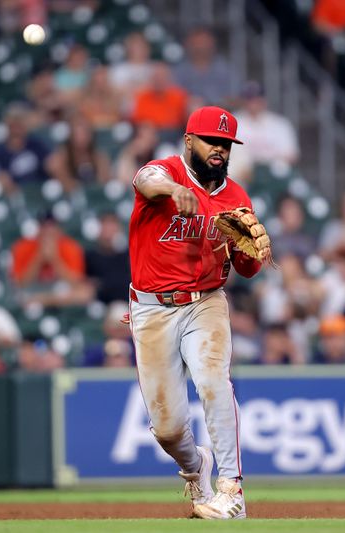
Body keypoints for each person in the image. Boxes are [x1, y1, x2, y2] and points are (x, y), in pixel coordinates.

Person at [127, 106, 271, 519]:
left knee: (213, 381)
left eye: (226, 144)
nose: (219, 151)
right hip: (153, 309)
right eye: (212, 141)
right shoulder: (165, 171)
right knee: (168, 428)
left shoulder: (236, 197)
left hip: (206, 301)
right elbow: (145, 180)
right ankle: (195, 467)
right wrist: (173, 190)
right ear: (189, 140)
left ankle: (232, 491)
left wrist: (247, 253)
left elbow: (247, 267)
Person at [0, 103, 52, 195]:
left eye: (19, 123)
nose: (16, 128)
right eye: (13, 124)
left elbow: (49, 165)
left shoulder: (37, 145)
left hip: (41, 191)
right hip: (16, 196)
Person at [11, 211, 86, 286]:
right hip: (33, 293)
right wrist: (39, 257)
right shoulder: (23, 247)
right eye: (44, 226)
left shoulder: (71, 247)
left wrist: (54, 259)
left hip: (62, 294)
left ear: (59, 230)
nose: (48, 231)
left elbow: (76, 283)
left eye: (51, 226)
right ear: (38, 229)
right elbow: (20, 284)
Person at [233, 81, 299, 166]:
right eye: (250, 99)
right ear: (243, 101)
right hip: (242, 172)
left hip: (274, 172)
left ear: (264, 100)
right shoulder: (232, 122)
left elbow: (292, 155)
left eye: (257, 99)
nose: (253, 104)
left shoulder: (280, 123)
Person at [173, 28, 242, 107]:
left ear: (213, 45)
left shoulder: (226, 70)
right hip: (188, 116)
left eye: (204, 43)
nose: (201, 47)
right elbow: (172, 99)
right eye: (196, 44)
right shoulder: (178, 71)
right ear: (188, 45)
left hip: (220, 113)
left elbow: (237, 99)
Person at [46, 115, 112, 192]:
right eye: (78, 133)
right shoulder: (61, 158)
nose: (82, 137)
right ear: (70, 135)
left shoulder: (99, 156)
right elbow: (65, 184)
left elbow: (104, 181)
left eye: (85, 133)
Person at [85, 212, 131, 304]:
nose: (109, 229)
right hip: (99, 305)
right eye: (105, 224)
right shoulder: (90, 256)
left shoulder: (130, 254)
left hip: (127, 304)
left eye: (112, 224)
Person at [130, 62, 189, 131]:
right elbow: (138, 121)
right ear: (151, 79)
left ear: (168, 78)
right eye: (156, 77)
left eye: (162, 77)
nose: (159, 80)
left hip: (175, 133)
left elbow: (186, 119)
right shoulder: (142, 97)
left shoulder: (179, 96)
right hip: (151, 133)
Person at [83, 301, 135, 367]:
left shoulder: (138, 351)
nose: (119, 331)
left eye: (123, 327)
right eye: (115, 326)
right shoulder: (96, 351)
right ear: (106, 327)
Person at [109, 31, 154, 106]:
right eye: (134, 46)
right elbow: (114, 92)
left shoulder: (154, 69)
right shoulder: (118, 70)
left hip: (150, 111)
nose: (137, 50)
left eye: (141, 46)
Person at [270, 195, 315, 261]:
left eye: (297, 209)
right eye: (290, 210)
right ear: (280, 215)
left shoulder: (309, 241)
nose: (296, 214)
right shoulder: (272, 242)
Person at [77, 65, 124, 129]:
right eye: (97, 80)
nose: (100, 84)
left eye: (103, 80)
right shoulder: (84, 98)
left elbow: (116, 117)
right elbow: (84, 117)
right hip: (90, 130)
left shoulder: (115, 97)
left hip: (110, 130)